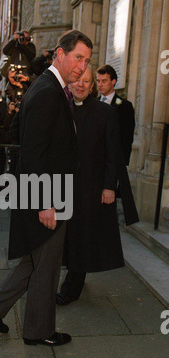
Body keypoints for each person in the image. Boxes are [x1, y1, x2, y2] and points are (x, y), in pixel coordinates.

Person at [0, 30, 93, 346]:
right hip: (45, 194)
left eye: (87, 61)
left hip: (48, 191)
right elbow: (34, 151)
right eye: (78, 57)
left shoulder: (53, 88)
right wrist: (46, 203)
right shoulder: (46, 92)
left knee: (35, 261)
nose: (82, 67)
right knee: (47, 267)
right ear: (60, 53)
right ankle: (38, 331)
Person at [56, 66, 139, 305]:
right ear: (69, 83)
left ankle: (71, 288)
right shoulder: (61, 109)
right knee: (63, 238)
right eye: (77, 80)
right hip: (62, 186)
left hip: (90, 188)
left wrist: (109, 187)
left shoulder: (105, 112)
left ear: (92, 86)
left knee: (82, 237)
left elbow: (114, 153)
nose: (81, 84)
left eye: (87, 81)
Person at [96, 64, 135, 165]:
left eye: (104, 81)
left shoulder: (125, 106)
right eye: (98, 81)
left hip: (113, 162)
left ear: (113, 82)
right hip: (93, 161)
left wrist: (121, 163)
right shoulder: (92, 103)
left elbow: (127, 137)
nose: (100, 84)